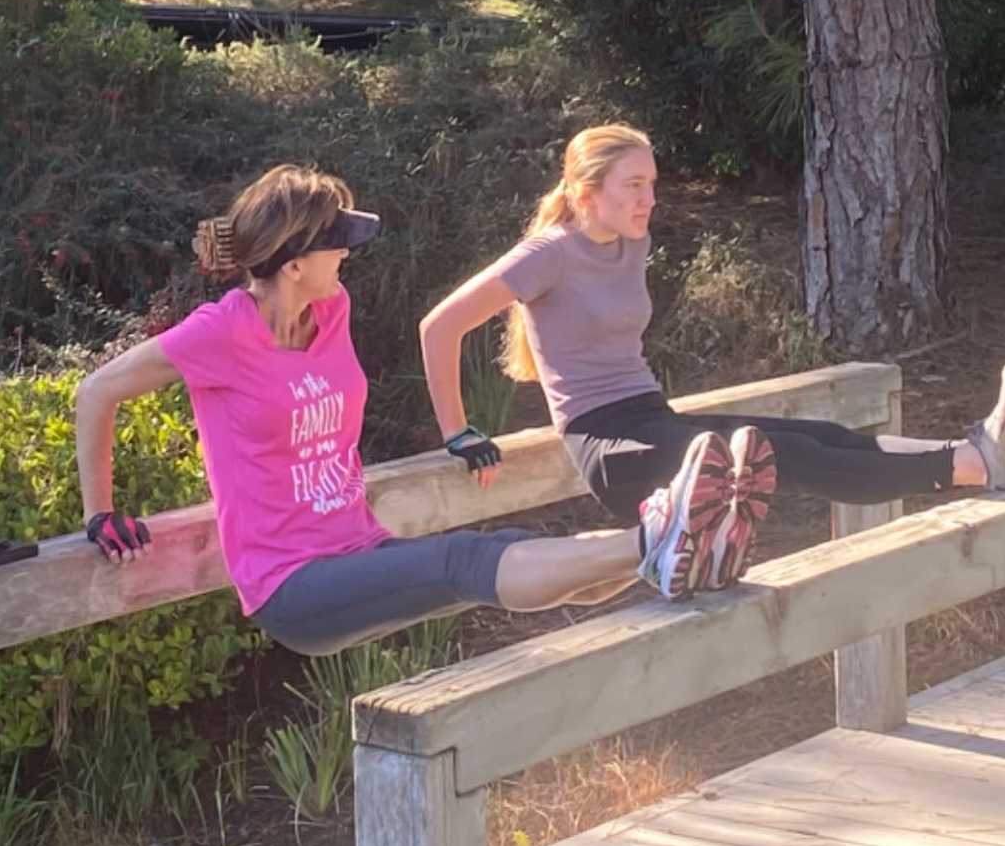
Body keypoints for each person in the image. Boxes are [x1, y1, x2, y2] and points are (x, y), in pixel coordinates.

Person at [70, 164, 775, 660]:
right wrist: (100, 513)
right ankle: (660, 538)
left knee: (510, 547)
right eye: (337, 243)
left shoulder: (331, 310)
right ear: (293, 264)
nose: (348, 254)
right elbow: (95, 392)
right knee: (463, 559)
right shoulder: (220, 333)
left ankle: (675, 554)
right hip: (292, 586)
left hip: (359, 547)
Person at [416, 122, 1005, 519]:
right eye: (634, 185)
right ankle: (977, 466)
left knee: (822, 434)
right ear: (588, 193)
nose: (649, 199)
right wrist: (458, 432)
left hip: (652, 417)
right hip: (611, 448)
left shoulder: (631, 243)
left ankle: (983, 452)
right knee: (785, 454)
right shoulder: (547, 254)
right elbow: (439, 328)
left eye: (652, 183)